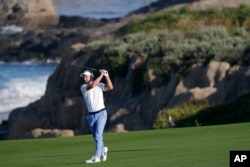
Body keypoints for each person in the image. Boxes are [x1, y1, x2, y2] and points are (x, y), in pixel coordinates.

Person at [80, 69, 113, 163]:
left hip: (101, 113)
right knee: (96, 136)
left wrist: (106, 75)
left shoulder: (100, 85)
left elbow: (110, 87)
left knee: (98, 135)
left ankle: (97, 156)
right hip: (91, 116)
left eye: (86, 76)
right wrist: (101, 75)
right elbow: (92, 86)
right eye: (84, 76)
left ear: (91, 76)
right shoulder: (83, 87)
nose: (84, 78)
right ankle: (103, 150)